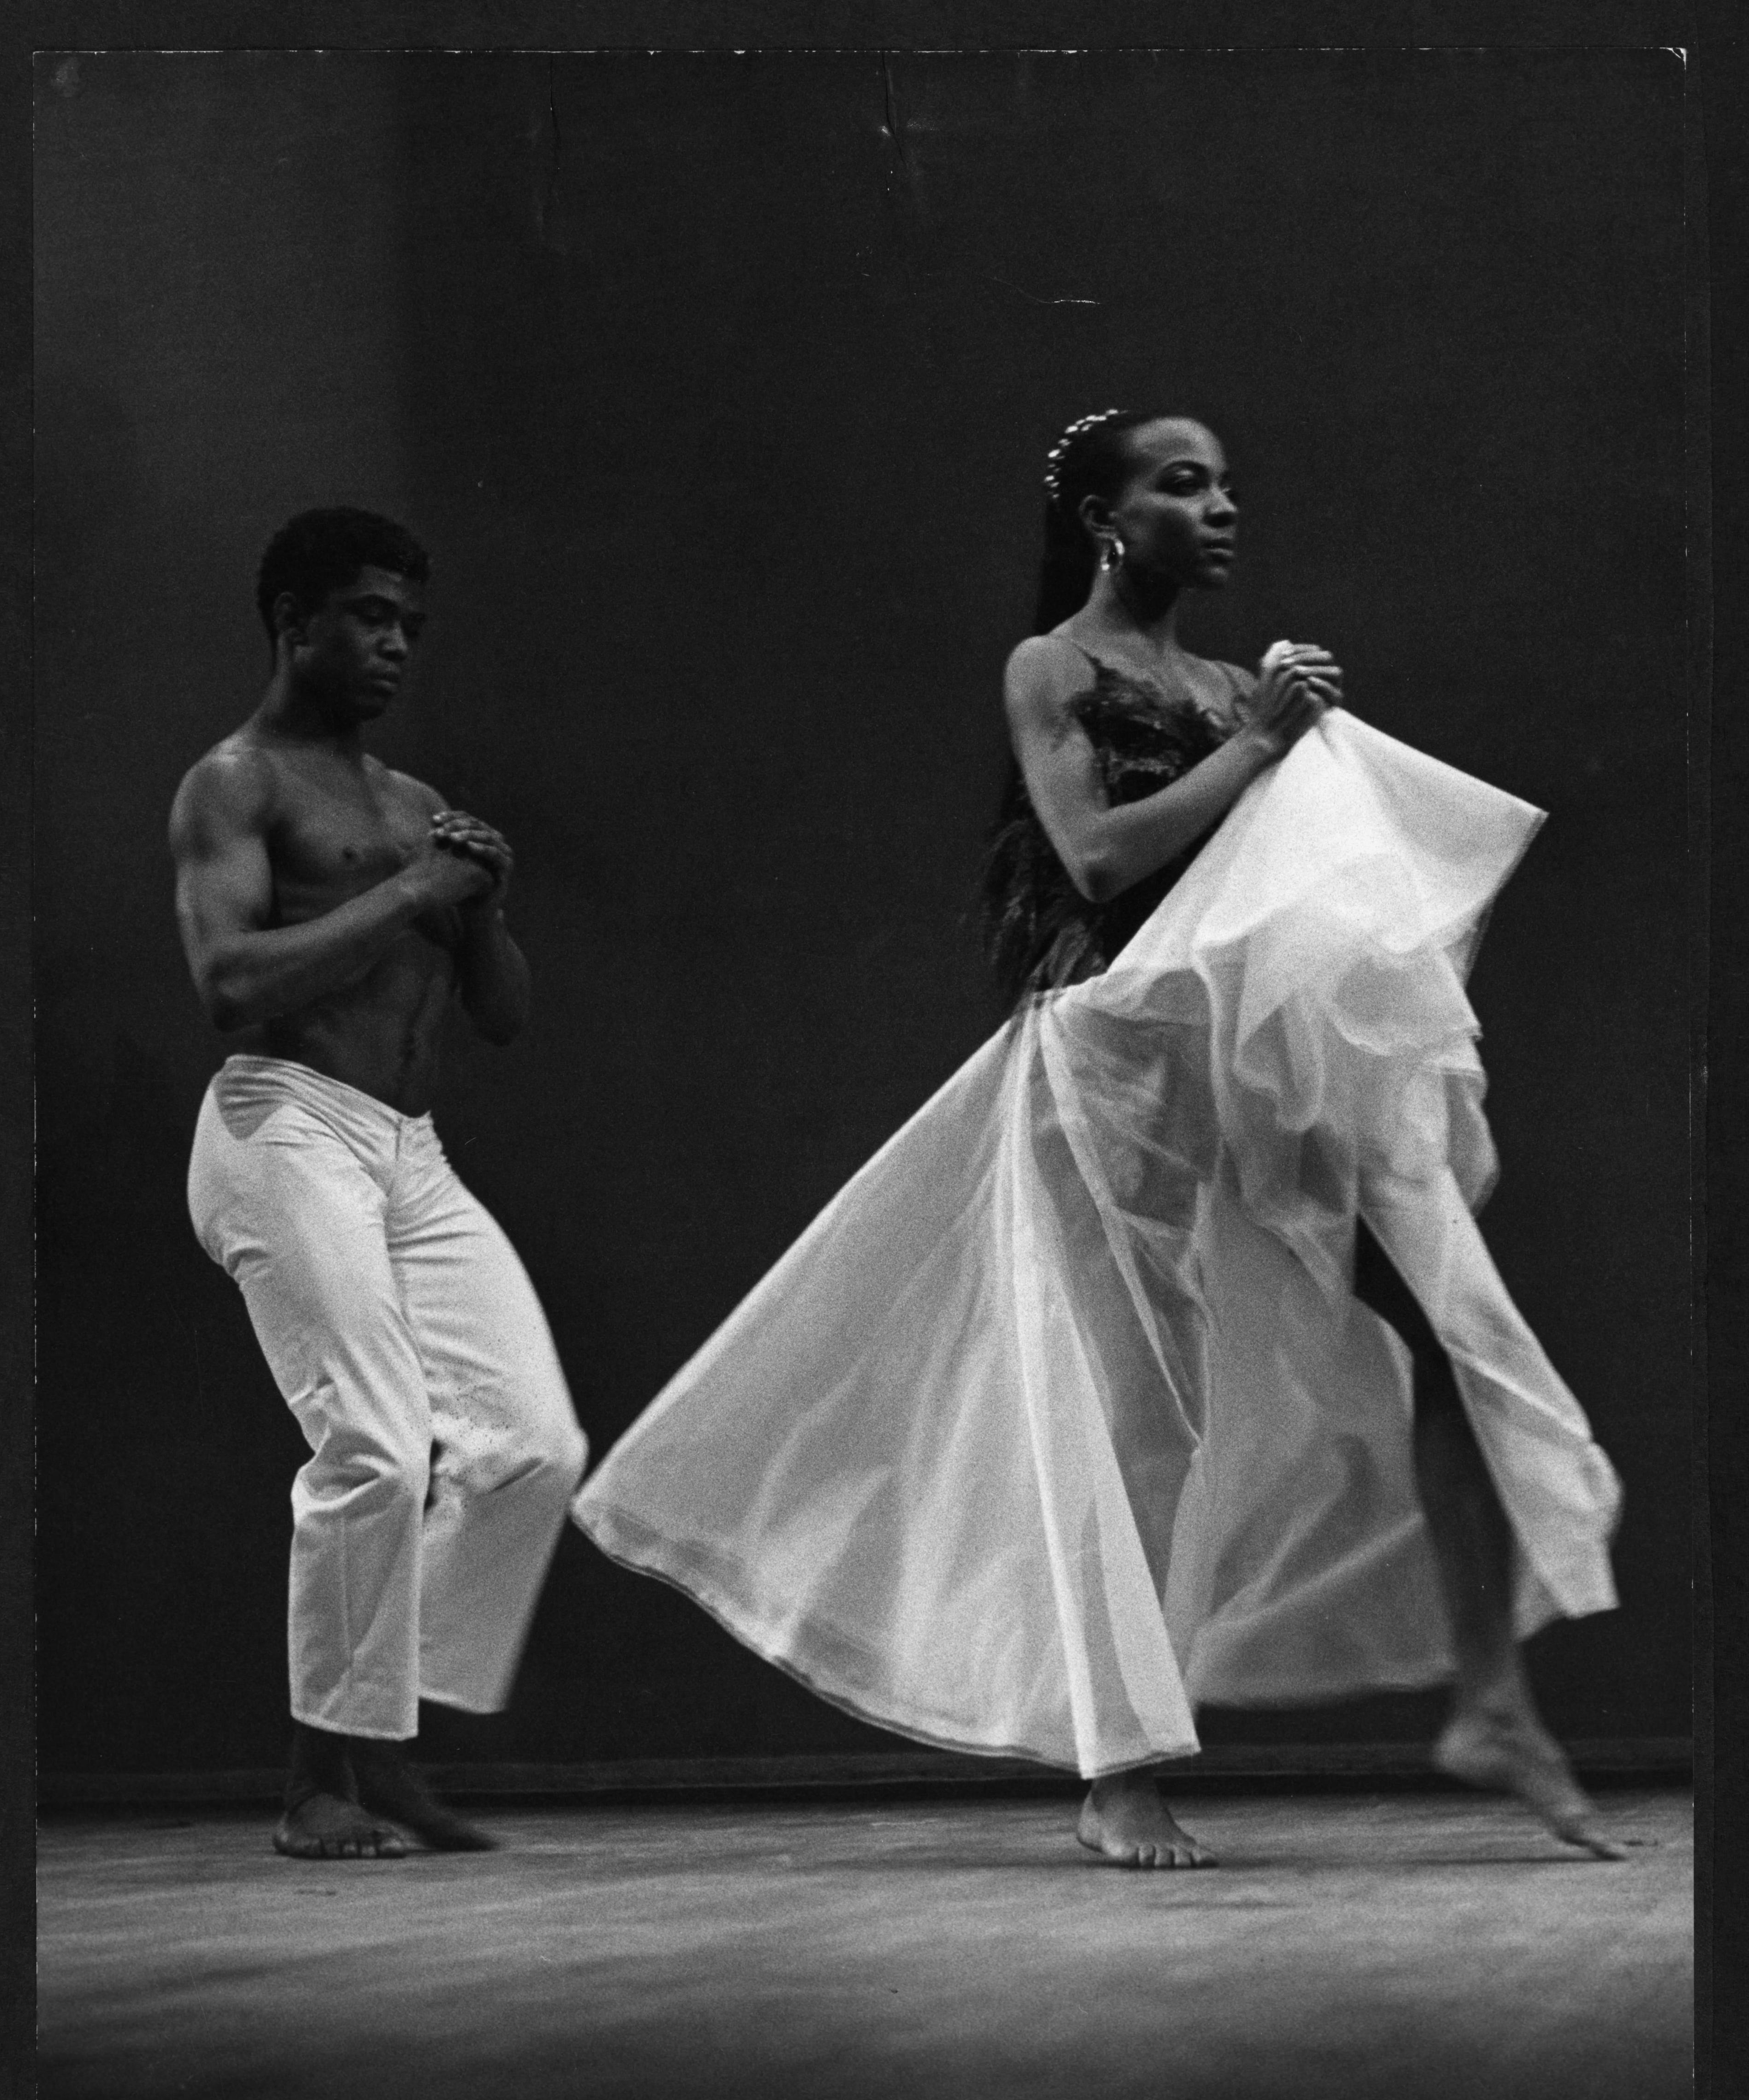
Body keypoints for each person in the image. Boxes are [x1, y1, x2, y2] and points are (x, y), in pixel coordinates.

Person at [571, 413, 1625, 1868]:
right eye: (1181, 482)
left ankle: (1494, 1704)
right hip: (1111, 1056)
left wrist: (1289, 749)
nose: (1220, 504)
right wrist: (1262, 741)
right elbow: (1098, 856)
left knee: (1456, 1337)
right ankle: (1117, 1765)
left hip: (1244, 1056)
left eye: (1228, 481)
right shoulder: (1056, 667)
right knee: (1144, 1412)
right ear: (1103, 514)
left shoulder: (1224, 683)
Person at [171, 507, 586, 1861]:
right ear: (294, 619)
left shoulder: (415, 806)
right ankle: (318, 1782)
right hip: (281, 1124)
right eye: (365, 615)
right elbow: (231, 986)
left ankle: (386, 1740)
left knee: (531, 1445)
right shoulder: (235, 783)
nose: (394, 641)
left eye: (408, 620)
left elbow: (506, 1017)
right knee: (373, 1442)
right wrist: (417, 892)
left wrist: (485, 909)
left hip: (407, 1152)